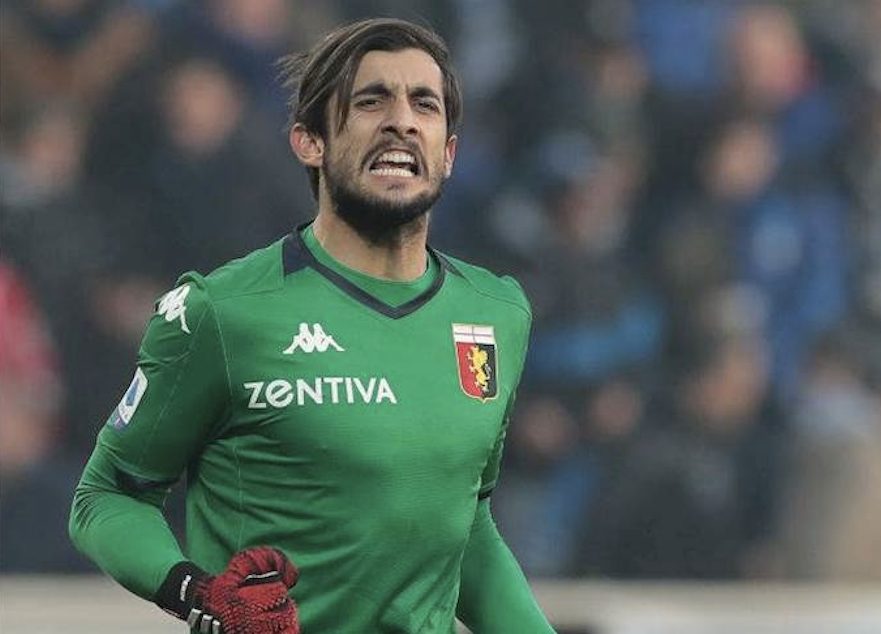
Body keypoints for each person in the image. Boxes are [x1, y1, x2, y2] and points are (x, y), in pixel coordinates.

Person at [69, 17, 555, 634]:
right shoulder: (222, 312)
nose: (402, 120)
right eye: (371, 100)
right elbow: (106, 496)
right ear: (310, 142)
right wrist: (196, 590)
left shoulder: (495, 313)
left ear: (449, 153)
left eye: (424, 104)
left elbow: (468, 532)